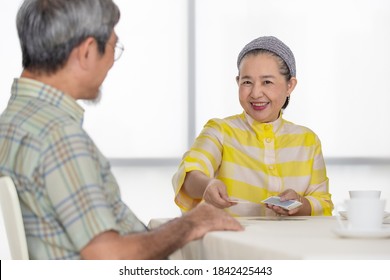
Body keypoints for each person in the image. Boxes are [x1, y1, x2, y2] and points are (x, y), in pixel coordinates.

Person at [0, 0, 243, 260]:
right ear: (87, 51)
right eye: (113, 48)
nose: (111, 63)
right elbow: (109, 257)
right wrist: (192, 224)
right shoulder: (59, 135)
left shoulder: (13, 121)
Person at [172, 36, 334, 217]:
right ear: (237, 82)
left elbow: (323, 203)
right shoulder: (220, 131)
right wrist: (207, 186)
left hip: (289, 244)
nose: (256, 93)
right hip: (233, 241)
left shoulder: (307, 141)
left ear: (290, 85)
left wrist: (300, 203)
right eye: (247, 82)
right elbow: (188, 175)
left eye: (267, 82)